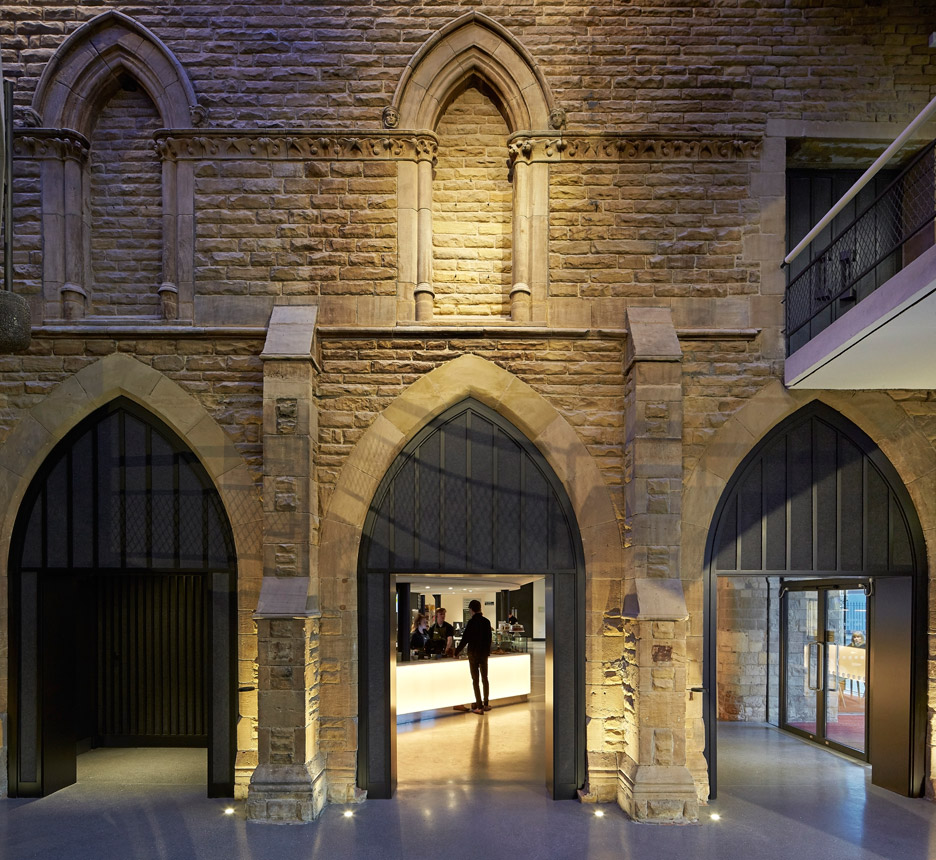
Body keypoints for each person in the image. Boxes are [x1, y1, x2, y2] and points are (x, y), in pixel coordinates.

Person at [454, 599, 492, 714]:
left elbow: (465, 639)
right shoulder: (487, 622)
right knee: (485, 678)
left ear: (471, 610)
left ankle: (479, 706)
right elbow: (489, 639)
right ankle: (486, 704)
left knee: (475, 680)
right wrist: (487, 652)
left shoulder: (471, 623)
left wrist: (456, 652)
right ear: (480, 608)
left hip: (473, 654)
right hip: (483, 654)